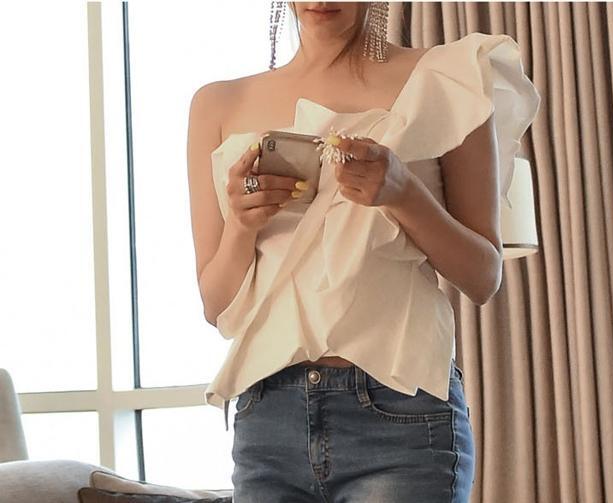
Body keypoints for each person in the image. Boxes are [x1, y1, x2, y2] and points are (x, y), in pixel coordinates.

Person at [187, 2, 540, 501]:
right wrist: (242, 226)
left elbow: (483, 276)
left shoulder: (446, 79)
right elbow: (215, 304)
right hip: (267, 419)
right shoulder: (217, 105)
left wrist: (404, 194)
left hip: (402, 416)